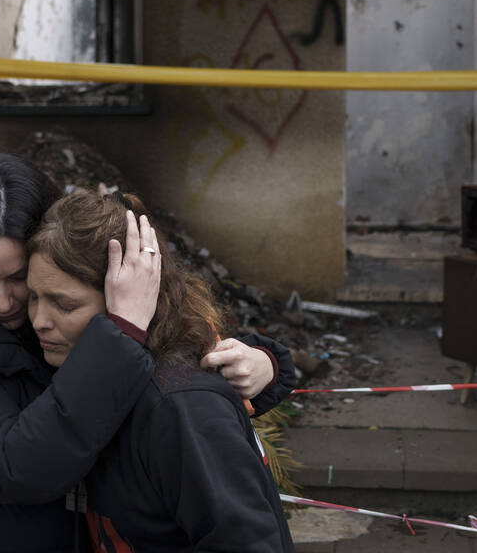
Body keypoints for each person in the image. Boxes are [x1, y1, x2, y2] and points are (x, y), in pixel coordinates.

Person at [0, 152, 292, 552]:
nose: (4, 303)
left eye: (18, 279)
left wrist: (261, 366)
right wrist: (120, 334)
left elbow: (173, 374)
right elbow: (10, 466)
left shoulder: (74, 315)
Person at [27, 189, 297, 552]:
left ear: (129, 298)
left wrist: (268, 362)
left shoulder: (179, 406)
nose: (39, 321)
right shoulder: (76, 367)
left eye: (64, 305)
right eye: (32, 296)